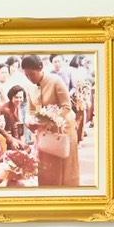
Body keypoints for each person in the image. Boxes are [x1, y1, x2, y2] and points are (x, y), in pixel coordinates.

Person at [22, 55, 79, 186]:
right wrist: (30, 121)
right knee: (47, 168)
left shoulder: (55, 81)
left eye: (32, 74)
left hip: (63, 130)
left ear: (40, 68)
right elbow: (31, 109)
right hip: (44, 134)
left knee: (65, 167)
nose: (30, 78)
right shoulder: (29, 86)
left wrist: (49, 119)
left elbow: (66, 107)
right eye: (26, 75)